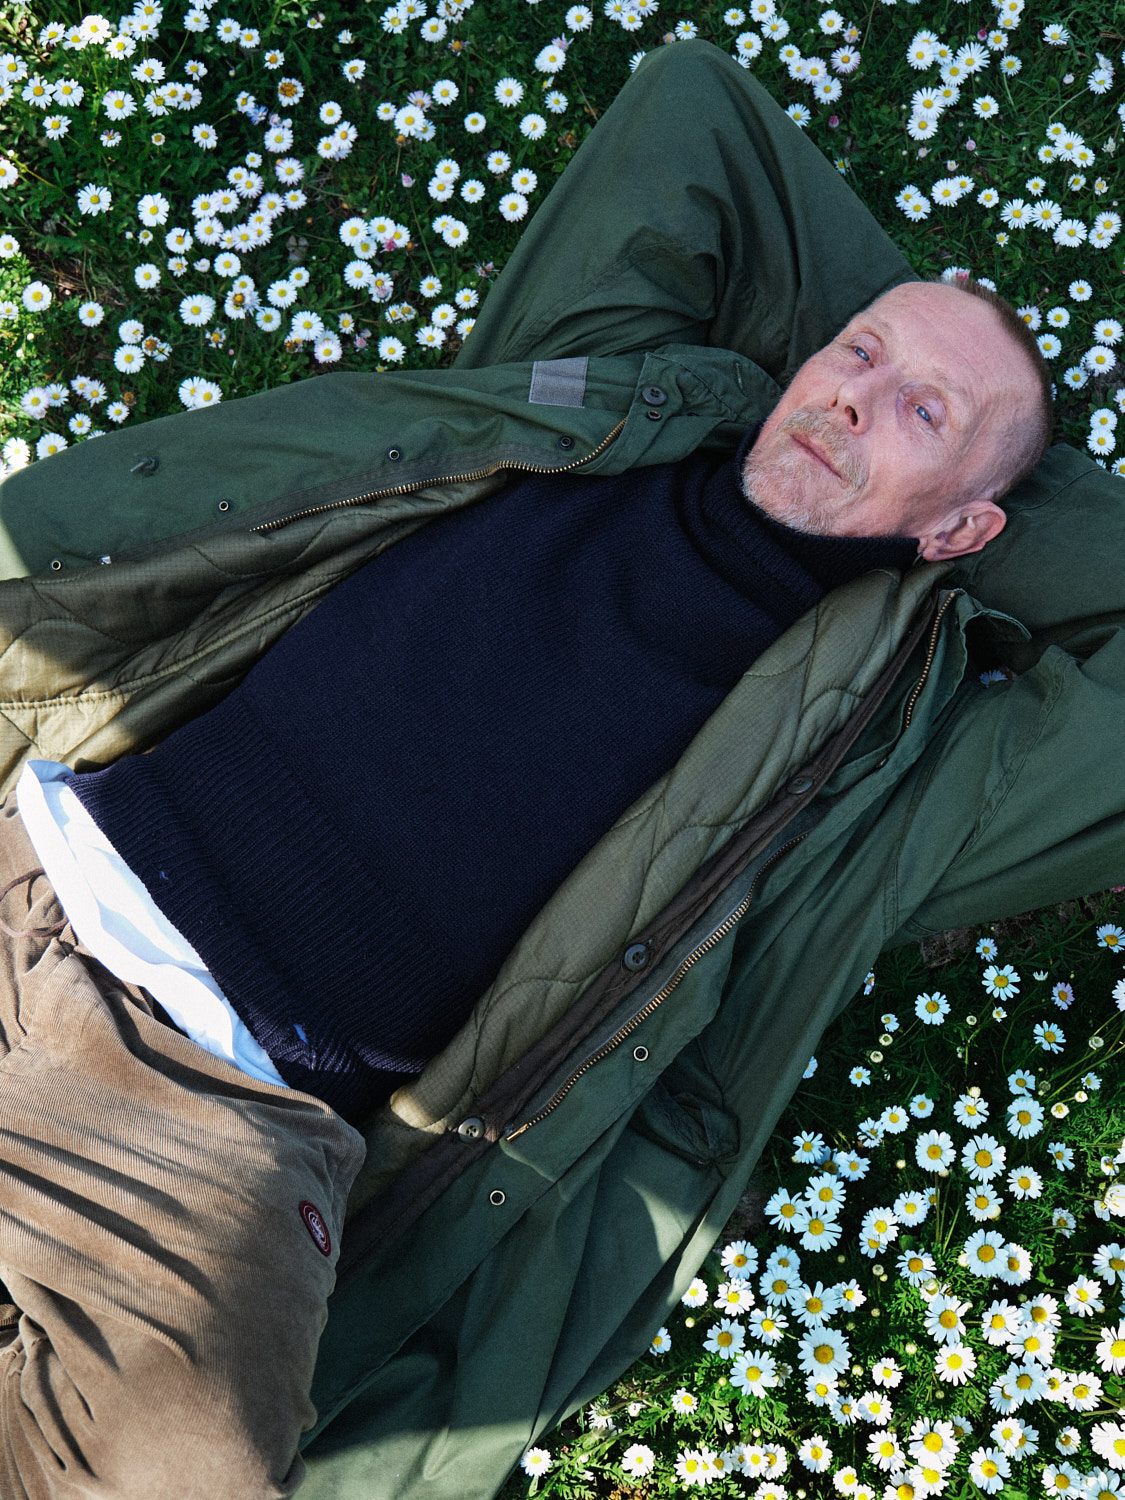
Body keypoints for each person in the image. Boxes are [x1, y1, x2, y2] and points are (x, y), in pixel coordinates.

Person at [0, 39, 1120, 1500]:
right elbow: (698, 111)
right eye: (853, 349)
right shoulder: (600, 391)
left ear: (972, 536)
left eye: (919, 413)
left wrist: (987, 483)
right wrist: (918, 391)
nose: (850, 397)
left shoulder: (895, 761)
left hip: (209, 1131)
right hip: (43, 856)